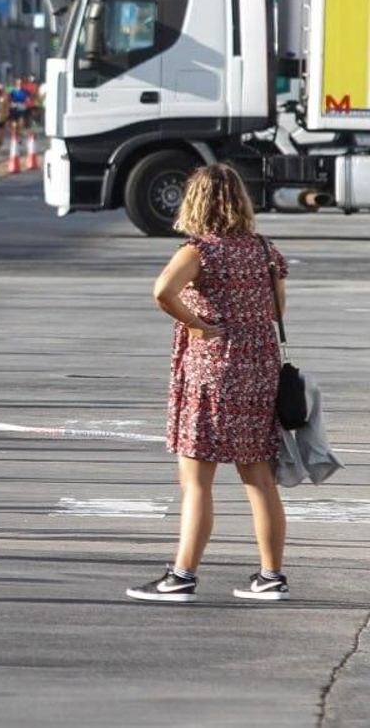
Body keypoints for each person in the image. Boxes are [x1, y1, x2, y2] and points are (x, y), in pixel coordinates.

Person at [129, 163, 290, 604]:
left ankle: (182, 576)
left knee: (197, 478)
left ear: (195, 202)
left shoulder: (200, 251)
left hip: (213, 370)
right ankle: (271, 576)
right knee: (258, 476)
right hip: (260, 370)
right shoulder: (264, 250)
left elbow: (163, 291)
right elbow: (278, 310)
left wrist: (196, 323)